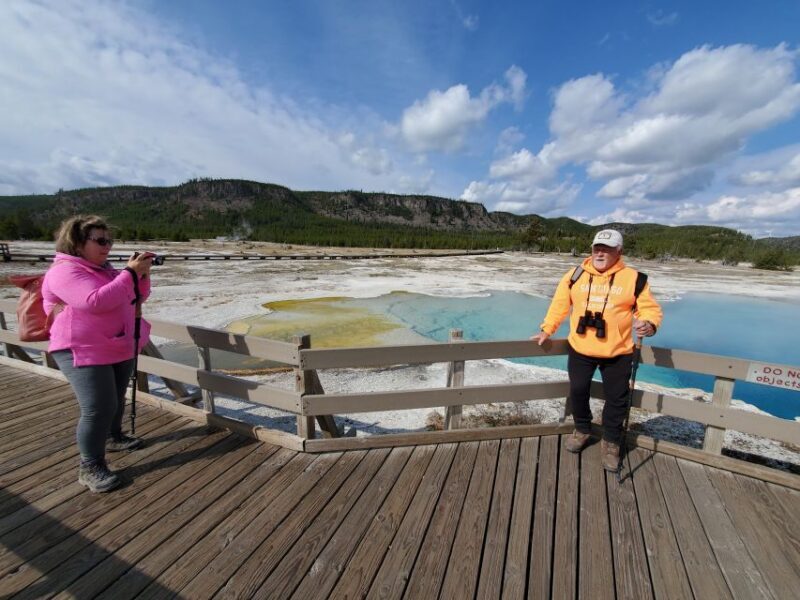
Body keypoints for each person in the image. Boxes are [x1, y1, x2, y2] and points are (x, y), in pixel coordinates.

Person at [532, 229, 663, 471]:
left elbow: (649, 310)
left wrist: (649, 324)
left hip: (618, 352)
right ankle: (582, 428)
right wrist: (546, 330)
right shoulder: (575, 275)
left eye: (607, 249)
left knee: (617, 398)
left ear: (619, 252)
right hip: (581, 348)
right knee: (578, 390)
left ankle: (612, 441)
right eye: (597, 248)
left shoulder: (635, 279)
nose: (600, 253)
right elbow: (559, 305)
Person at [42, 215, 156, 492]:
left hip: (116, 343)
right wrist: (130, 273)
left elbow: (136, 297)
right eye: (100, 240)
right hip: (80, 347)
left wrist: (141, 275)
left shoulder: (105, 269)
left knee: (115, 398)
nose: (107, 246)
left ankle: (113, 436)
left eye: (110, 240)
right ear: (78, 242)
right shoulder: (64, 271)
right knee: (98, 407)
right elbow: (94, 302)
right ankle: (90, 465)